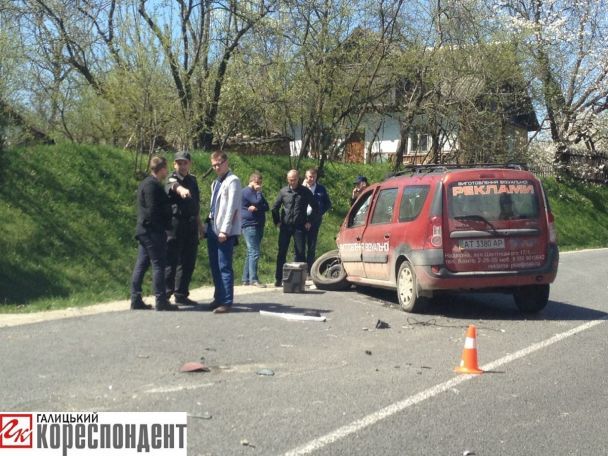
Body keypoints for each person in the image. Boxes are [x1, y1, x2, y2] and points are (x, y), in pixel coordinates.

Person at [130, 156, 179, 311]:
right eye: (166, 168)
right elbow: (153, 210)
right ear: (162, 169)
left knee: (142, 264)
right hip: (152, 231)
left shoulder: (146, 183)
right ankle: (161, 300)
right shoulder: (152, 185)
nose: (167, 171)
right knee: (159, 265)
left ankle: (136, 299)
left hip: (145, 230)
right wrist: (164, 226)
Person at [164, 151, 204, 306]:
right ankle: (165, 295)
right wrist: (181, 190)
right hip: (176, 225)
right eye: (179, 163)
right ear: (174, 164)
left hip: (191, 224)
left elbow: (196, 205)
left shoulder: (192, 180)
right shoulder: (171, 178)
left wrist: (200, 225)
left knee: (188, 261)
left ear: (189, 164)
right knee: (172, 260)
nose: (182, 166)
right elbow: (174, 186)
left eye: (185, 163)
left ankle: (181, 294)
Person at [271, 169, 319, 287]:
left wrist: (309, 221)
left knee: (300, 253)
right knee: (282, 252)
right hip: (285, 226)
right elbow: (274, 208)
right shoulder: (283, 191)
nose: (292, 182)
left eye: (294, 180)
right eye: (290, 180)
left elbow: (316, 208)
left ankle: (298, 280)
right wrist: (277, 221)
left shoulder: (305, 192)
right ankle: (278, 278)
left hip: (299, 227)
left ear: (298, 179)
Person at [207, 151, 242, 314]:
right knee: (215, 265)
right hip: (212, 228)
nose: (216, 167)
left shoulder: (233, 181)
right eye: (213, 165)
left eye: (218, 164)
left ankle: (227, 301)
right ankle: (218, 297)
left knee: (224, 266)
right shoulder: (216, 182)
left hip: (223, 231)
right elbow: (214, 206)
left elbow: (231, 208)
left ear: (226, 163)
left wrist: (225, 230)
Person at [241, 171, 269, 287]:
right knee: (254, 252)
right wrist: (259, 193)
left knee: (250, 252)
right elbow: (257, 201)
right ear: (251, 181)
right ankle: (254, 279)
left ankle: (246, 278)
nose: (259, 185)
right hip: (250, 225)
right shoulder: (247, 191)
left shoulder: (256, 193)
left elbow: (266, 206)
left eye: (260, 183)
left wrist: (257, 208)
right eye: (257, 183)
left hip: (258, 224)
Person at [302, 168, 332, 273]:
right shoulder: (301, 188)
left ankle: (309, 270)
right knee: (300, 246)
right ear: (306, 177)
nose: (311, 179)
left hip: (314, 220)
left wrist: (319, 213)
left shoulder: (321, 189)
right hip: (301, 219)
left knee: (311, 246)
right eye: (310, 177)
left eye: (314, 177)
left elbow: (328, 204)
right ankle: (300, 269)